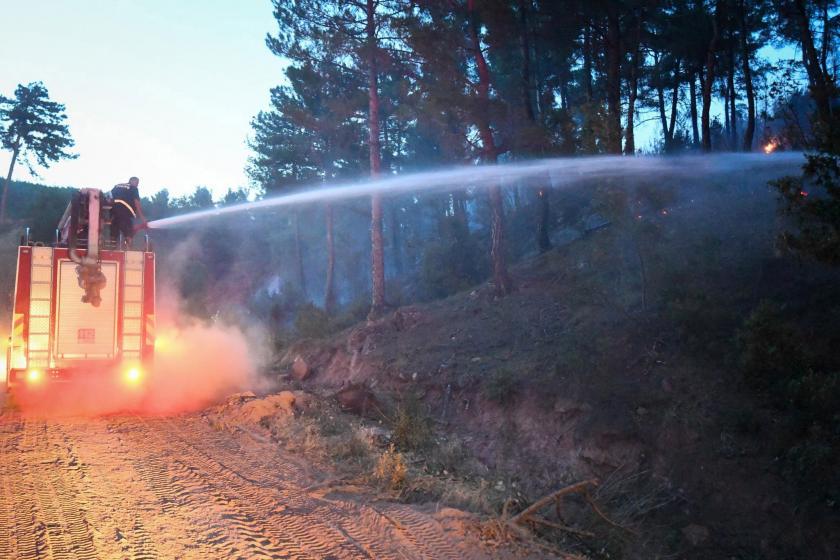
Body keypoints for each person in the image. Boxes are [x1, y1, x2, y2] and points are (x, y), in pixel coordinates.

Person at [110, 176, 147, 248]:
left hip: (113, 211)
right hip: (125, 212)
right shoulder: (133, 188)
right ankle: (128, 248)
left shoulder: (117, 186)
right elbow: (136, 203)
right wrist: (142, 218)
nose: (137, 185)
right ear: (132, 181)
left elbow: (110, 197)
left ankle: (112, 246)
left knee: (114, 230)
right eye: (137, 183)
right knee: (129, 232)